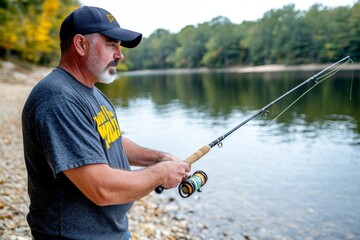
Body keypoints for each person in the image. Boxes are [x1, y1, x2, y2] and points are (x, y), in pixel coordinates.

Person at [22, 6, 190, 240]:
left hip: (110, 232)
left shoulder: (91, 91)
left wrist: (159, 158)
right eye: (112, 44)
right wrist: (160, 174)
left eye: (119, 47)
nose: (120, 55)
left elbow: (112, 141)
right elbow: (101, 188)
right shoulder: (58, 99)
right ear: (80, 45)